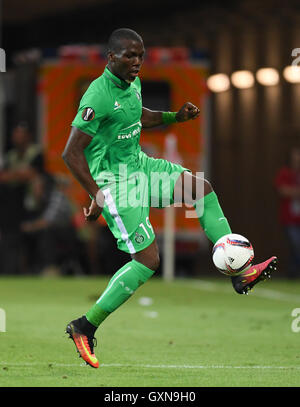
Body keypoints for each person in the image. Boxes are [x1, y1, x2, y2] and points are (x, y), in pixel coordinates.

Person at [62, 28, 277, 368]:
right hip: (117, 183)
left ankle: (240, 272)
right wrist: (98, 194)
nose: (137, 62)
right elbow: (71, 154)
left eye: (141, 56)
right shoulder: (96, 96)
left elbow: (138, 116)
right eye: (130, 56)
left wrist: (174, 117)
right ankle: (85, 327)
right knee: (147, 261)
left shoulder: (133, 83)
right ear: (111, 58)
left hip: (141, 166)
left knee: (200, 189)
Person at [0, 122, 44, 274]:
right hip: (13, 205)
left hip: (33, 203)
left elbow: (33, 174)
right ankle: (11, 269)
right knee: (11, 237)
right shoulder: (10, 155)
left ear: (29, 137)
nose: (19, 138)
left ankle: (36, 268)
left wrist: (16, 175)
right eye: (16, 135)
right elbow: (3, 177)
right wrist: (20, 175)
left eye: (22, 135)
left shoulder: (36, 153)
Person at [275, 145, 300, 278]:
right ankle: (293, 272)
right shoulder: (285, 173)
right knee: (295, 244)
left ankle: (293, 271)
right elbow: (282, 190)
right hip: (290, 218)